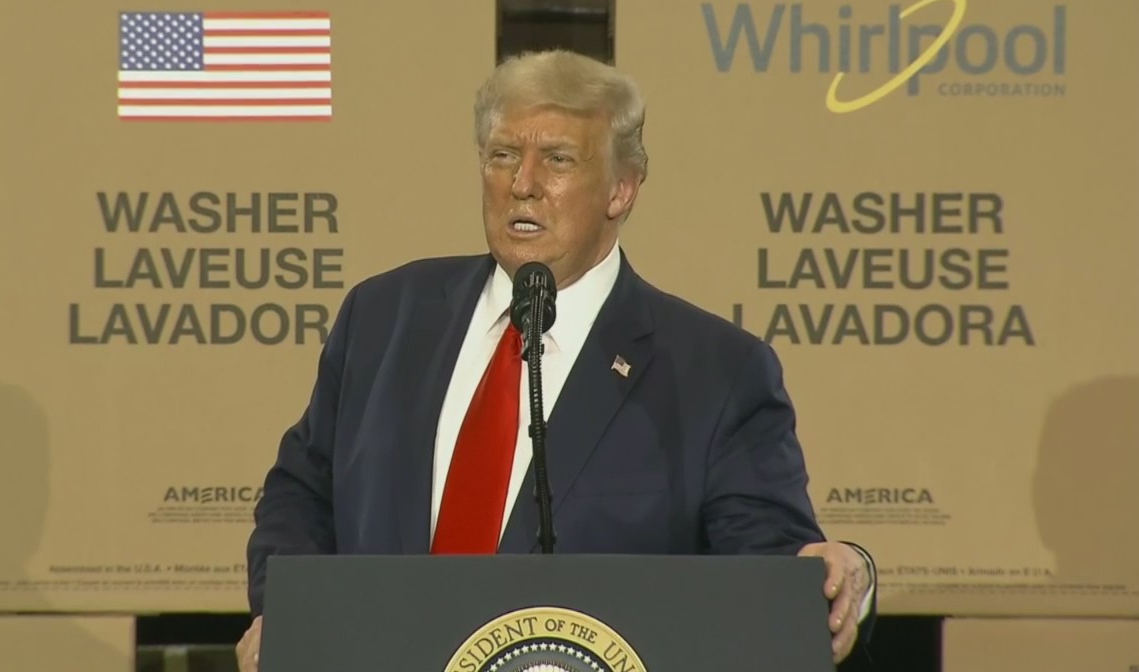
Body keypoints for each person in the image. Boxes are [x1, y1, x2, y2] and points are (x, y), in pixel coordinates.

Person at [236, 49, 876, 671]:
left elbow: (768, 562)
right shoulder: (384, 318)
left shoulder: (716, 373)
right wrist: (289, 617)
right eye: (503, 156)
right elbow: (301, 493)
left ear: (621, 190)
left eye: (558, 160)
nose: (523, 184)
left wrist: (838, 571)